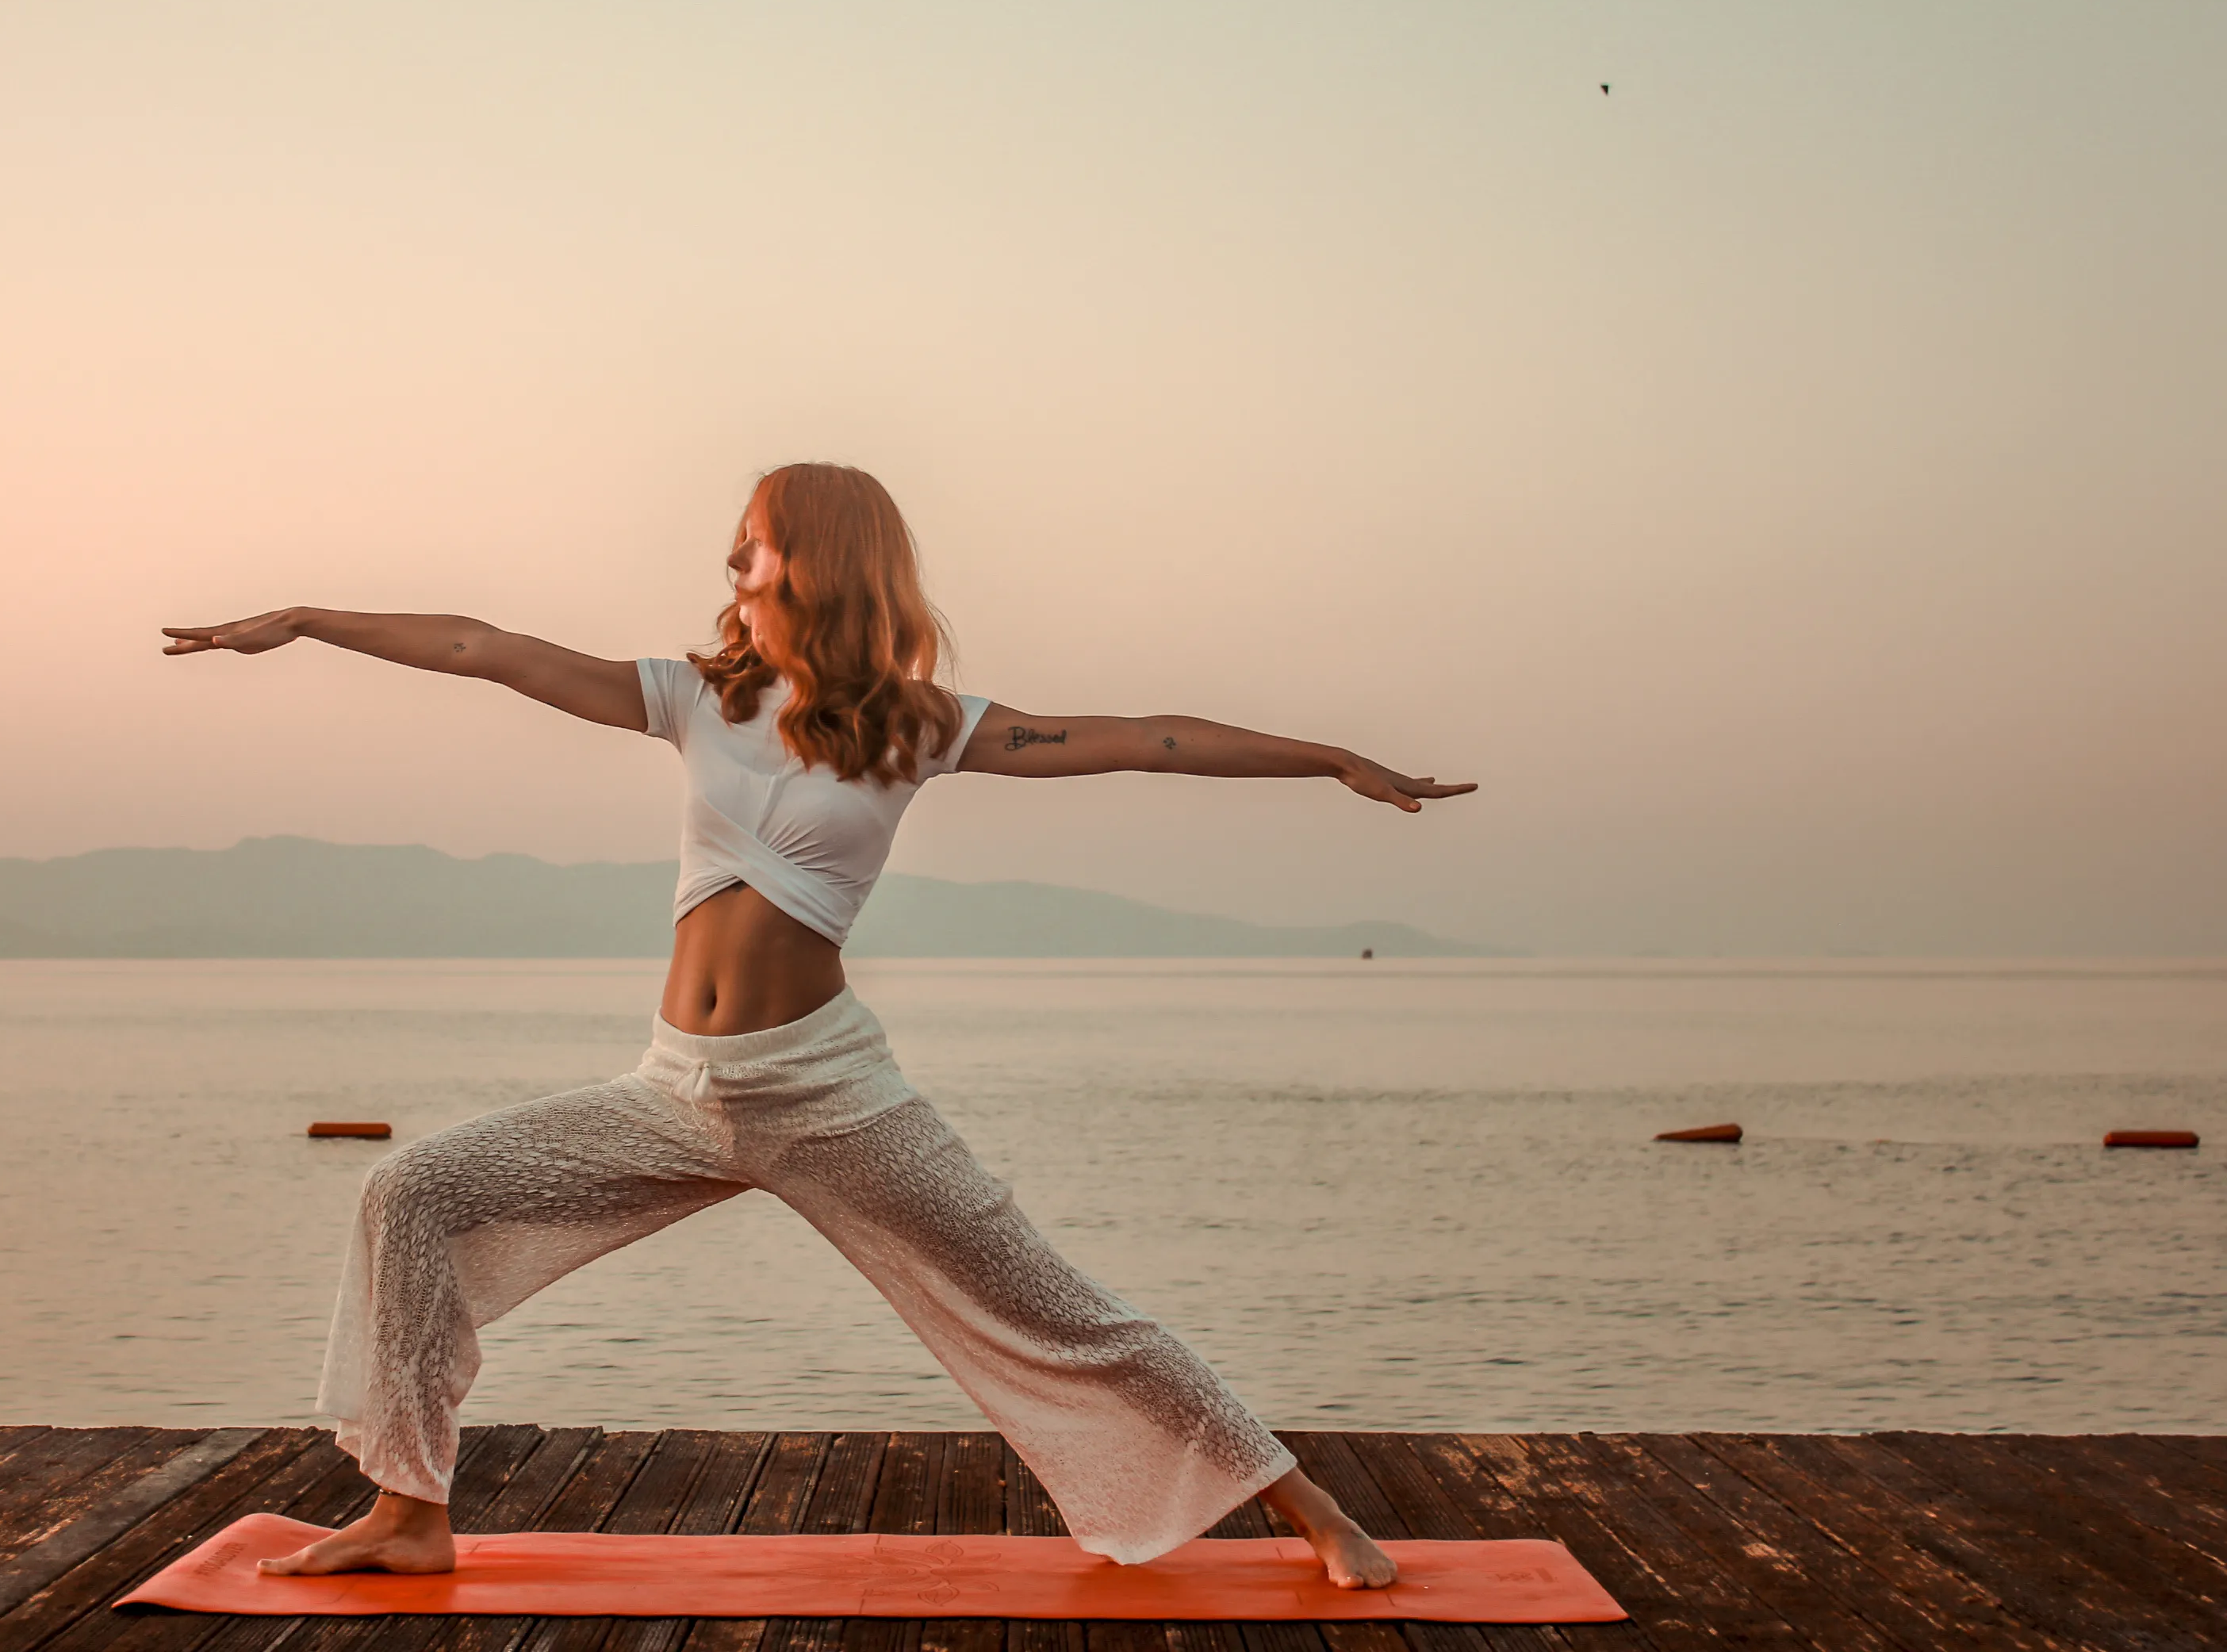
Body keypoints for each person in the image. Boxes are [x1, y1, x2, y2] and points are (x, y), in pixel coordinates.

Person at [163, 462, 1473, 1587]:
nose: (732, 555)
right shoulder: (690, 697)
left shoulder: (919, 728)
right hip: (674, 1093)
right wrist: (308, 620)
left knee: (1058, 1311)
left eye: (758, 533)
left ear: (824, 560)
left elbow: (1154, 740)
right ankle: (408, 1514)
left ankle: (1312, 1508)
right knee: (413, 1193)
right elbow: (479, 647)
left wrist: (1335, 759)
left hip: (831, 1098)